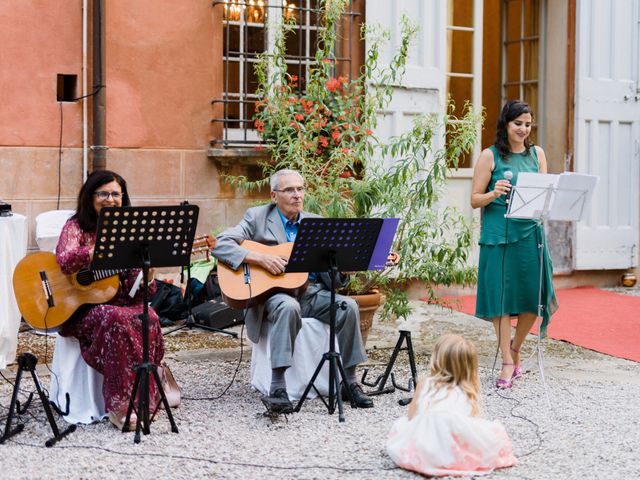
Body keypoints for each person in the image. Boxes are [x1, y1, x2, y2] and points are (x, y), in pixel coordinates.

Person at [211, 168, 373, 413]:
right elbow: (221, 243)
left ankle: (349, 382)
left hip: (311, 293)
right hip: (274, 297)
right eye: (289, 190)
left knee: (348, 306)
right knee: (288, 306)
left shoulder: (315, 223)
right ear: (274, 196)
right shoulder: (257, 217)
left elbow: (332, 277)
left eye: (300, 189)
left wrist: (344, 270)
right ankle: (278, 387)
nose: (297, 195)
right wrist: (259, 259)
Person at [55, 170, 164, 428]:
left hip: (122, 304)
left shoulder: (131, 230)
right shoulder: (76, 226)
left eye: (116, 194)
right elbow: (64, 260)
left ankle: (143, 401)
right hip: (80, 311)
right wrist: (94, 251)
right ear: (90, 197)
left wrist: (147, 276)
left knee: (148, 315)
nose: (110, 199)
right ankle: (120, 407)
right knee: (114, 317)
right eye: (103, 193)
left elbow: (140, 292)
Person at [470, 100, 558, 388]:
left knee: (535, 297)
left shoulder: (537, 154)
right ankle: (507, 361)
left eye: (527, 124)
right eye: (517, 123)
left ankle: (517, 347)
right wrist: (494, 193)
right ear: (505, 125)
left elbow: (546, 195)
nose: (523, 129)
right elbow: (474, 200)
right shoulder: (490, 156)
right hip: (498, 235)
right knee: (501, 301)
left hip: (531, 233)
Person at [386, 334, 517, 477]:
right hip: (452, 447)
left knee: (401, 427)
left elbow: (411, 417)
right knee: (493, 434)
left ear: (438, 360)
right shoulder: (467, 390)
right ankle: (454, 458)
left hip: (426, 448)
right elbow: (467, 424)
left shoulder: (425, 383)